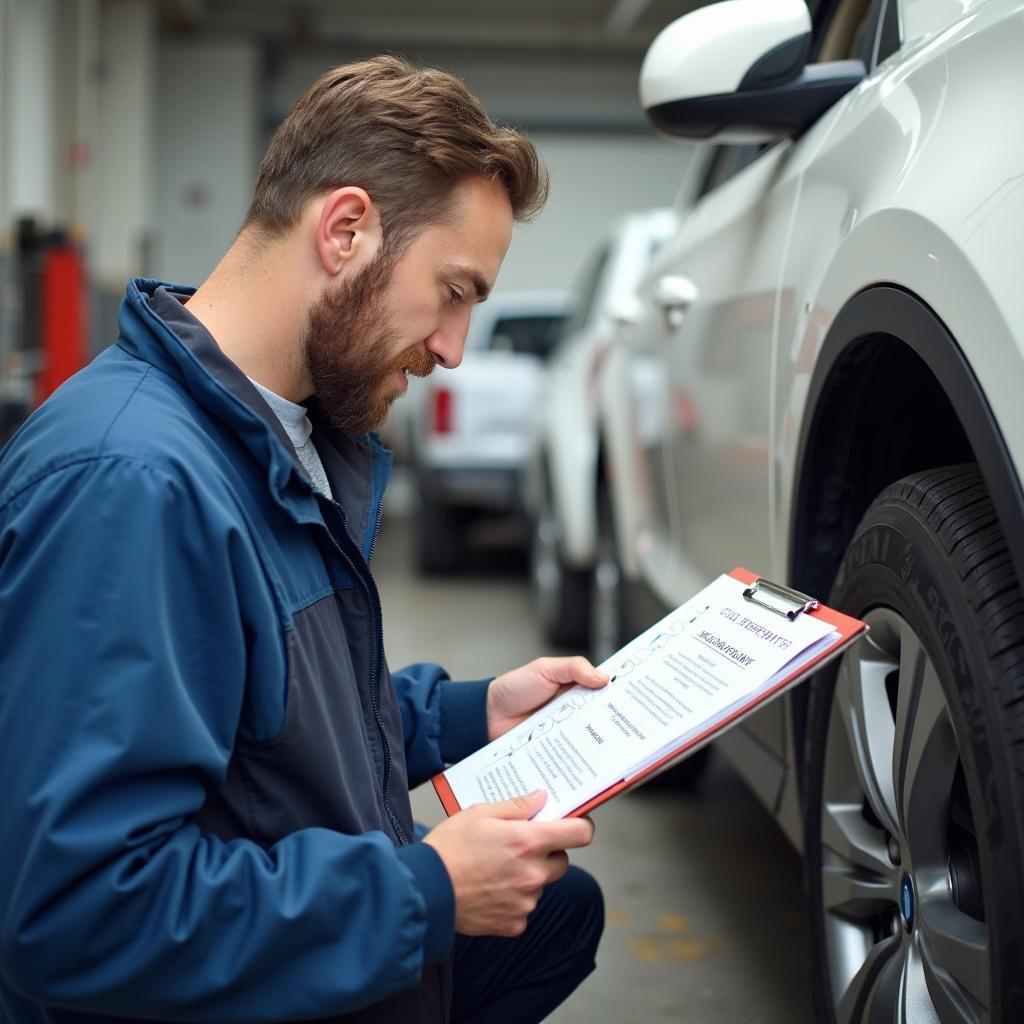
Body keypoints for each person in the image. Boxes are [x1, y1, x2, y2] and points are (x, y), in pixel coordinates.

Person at [0, 56, 607, 1023]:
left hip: (287, 939)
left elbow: (265, 723)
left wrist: (469, 716)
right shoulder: (134, 485)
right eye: (453, 290)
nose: (453, 349)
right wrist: (424, 894)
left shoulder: (276, 432)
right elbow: (76, 913)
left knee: (560, 911)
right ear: (347, 230)